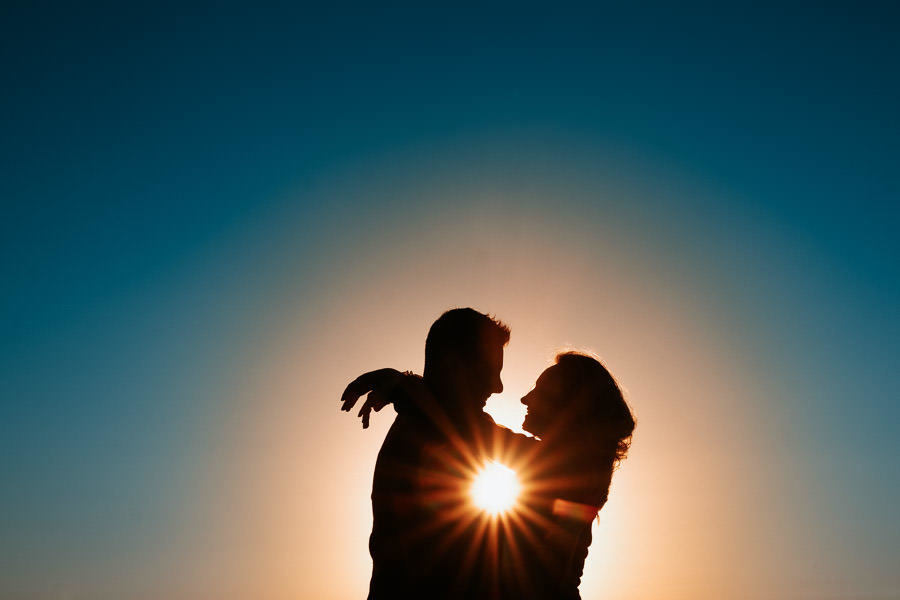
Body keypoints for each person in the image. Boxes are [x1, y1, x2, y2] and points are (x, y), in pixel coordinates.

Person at [343, 350, 635, 599]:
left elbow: (474, 431)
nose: (524, 398)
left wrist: (404, 385)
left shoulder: (571, 470)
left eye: (540, 389)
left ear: (571, 405)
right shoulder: (575, 466)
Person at [341, 308, 529, 599]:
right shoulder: (430, 435)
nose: (498, 386)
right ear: (452, 365)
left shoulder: (435, 423)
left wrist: (404, 384)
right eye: (490, 371)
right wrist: (405, 385)